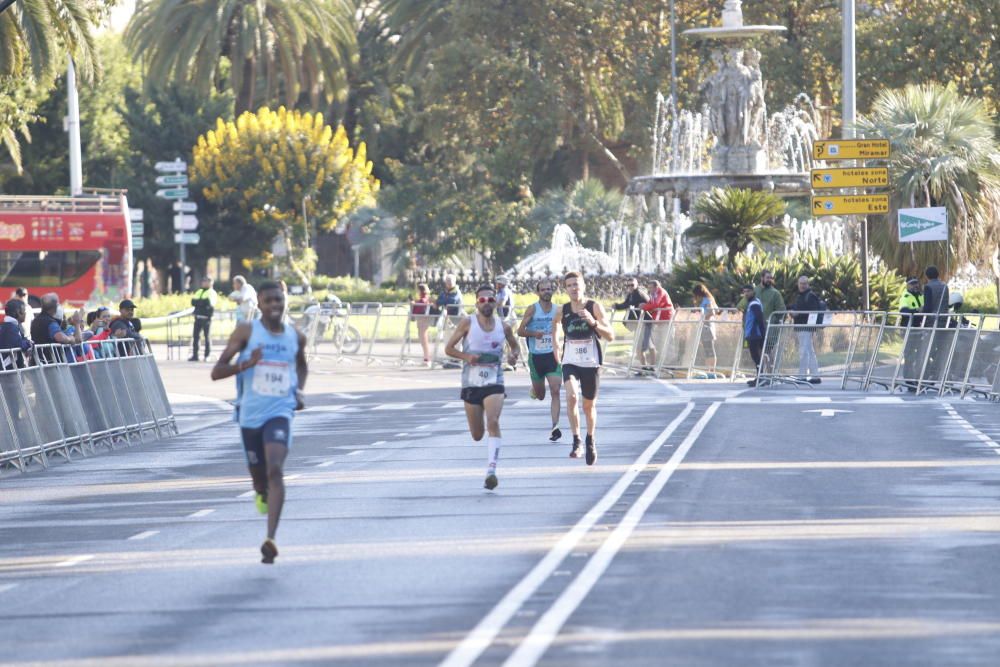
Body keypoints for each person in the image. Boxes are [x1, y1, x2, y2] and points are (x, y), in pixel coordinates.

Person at [211, 281, 308, 564]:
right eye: (269, 301)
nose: (275, 306)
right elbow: (216, 372)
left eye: (279, 300)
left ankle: (270, 539)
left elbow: (301, 364)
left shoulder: (295, 337)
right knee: (259, 475)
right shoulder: (246, 332)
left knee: (275, 468)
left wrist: (299, 390)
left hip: (280, 411)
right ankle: (260, 491)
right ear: (260, 305)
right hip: (250, 415)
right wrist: (246, 364)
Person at [444, 284, 519, 490]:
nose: (487, 303)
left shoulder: (503, 327)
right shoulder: (468, 323)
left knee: (493, 421)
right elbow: (448, 349)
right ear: (477, 303)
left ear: (496, 302)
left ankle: (491, 470)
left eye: (490, 300)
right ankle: (490, 465)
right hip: (472, 383)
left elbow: (515, 345)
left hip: (495, 380)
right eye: (482, 300)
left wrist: (513, 355)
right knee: (477, 434)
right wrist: (467, 356)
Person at [553, 272, 614, 465]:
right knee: (571, 396)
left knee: (588, 406)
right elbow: (554, 326)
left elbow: (610, 335)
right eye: (569, 285)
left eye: (576, 285)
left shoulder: (594, 306)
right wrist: (555, 346)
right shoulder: (563, 310)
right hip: (570, 361)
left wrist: (593, 321)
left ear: (583, 286)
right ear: (566, 289)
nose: (573, 288)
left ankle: (590, 439)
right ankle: (576, 439)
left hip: (590, 362)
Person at [516, 278, 563, 442]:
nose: (546, 292)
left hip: (553, 355)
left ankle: (555, 426)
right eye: (543, 290)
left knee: (556, 391)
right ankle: (535, 389)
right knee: (541, 395)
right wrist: (533, 333)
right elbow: (520, 331)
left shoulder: (558, 310)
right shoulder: (532, 310)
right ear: (538, 292)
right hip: (536, 357)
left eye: (549, 289)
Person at [789, 275, 822, 384]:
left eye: (804, 283)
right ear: (798, 284)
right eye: (800, 283)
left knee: (804, 351)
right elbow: (797, 308)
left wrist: (798, 314)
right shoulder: (800, 296)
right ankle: (815, 376)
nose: (802, 286)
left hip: (805, 327)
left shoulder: (810, 296)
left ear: (808, 284)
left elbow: (813, 311)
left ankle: (802, 376)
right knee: (809, 351)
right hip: (801, 327)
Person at [30, 293, 82, 362]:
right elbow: (60, 338)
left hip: (39, 361)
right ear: (55, 307)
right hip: (51, 363)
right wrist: (70, 339)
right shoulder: (51, 323)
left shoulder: (35, 320)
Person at [638, 279, 674, 369]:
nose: (649, 289)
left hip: (666, 320)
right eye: (648, 288)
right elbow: (651, 303)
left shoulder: (661, 292)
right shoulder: (653, 294)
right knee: (659, 344)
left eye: (651, 287)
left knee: (666, 342)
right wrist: (644, 305)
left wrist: (645, 307)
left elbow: (656, 304)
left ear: (656, 287)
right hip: (659, 321)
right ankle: (661, 365)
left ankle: (668, 365)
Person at [742, 284, 766, 387]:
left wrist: (763, 334)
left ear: (753, 291)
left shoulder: (754, 304)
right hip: (753, 334)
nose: (746, 293)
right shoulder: (753, 303)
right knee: (757, 357)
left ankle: (760, 378)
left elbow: (760, 319)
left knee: (756, 357)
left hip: (754, 334)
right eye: (745, 291)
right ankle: (760, 377)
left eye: (748, 291)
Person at [692, 284, 719, 376]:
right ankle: (709, 370)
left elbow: (712, 312)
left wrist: (703, 319)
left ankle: (712, 371)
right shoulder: (705, 300)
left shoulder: (707, 300)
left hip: (708, 326)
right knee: (707, 349)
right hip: (704, 326)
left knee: (709, 348)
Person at [190, 277, 218, 361]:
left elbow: (209, 303)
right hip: (198, 317)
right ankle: (195, 355)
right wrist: (202, 302)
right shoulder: (199, 291)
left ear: (210, 283)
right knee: (196, 337)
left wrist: (199, 302)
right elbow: (193, 302)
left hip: (206, 318)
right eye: (203, 281)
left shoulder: (212, 292)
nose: (204, 283)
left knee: (207, 337)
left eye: (206, 281)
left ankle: (207, 355)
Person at [1, 298, 33, 369]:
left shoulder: (8, 325)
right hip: (9, 370)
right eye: (24, 311)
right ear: (18, 312)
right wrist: (29, 343)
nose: (25, 313)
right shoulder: (11, 327)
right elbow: (19, 344)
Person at [410, 283, 433, 365]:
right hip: (423, 321)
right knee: (424, 340)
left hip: (422, 321)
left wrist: (413, 304)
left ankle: (427, 358)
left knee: (423, 340)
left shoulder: (422, 300)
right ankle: (426, 357)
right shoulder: (425, 298)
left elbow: (418, 308)